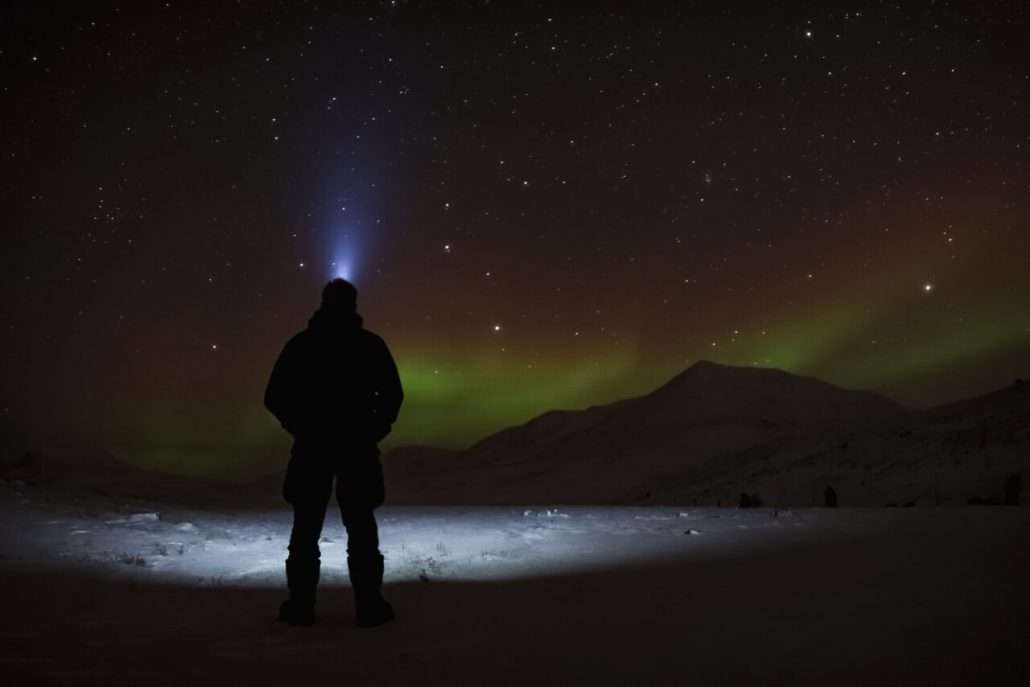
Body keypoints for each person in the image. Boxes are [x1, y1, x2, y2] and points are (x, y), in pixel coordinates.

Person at [264, 278, 403, 628]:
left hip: (313, 447)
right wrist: (374, 428)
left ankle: (301, 607)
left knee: (306, 528)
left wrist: (300, 426)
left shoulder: (302, 345)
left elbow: (275, 396)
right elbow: (392, 395)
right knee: (360, 528)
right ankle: (369, 607)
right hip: (356, 448)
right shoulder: (370, 345)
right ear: (353, 304)